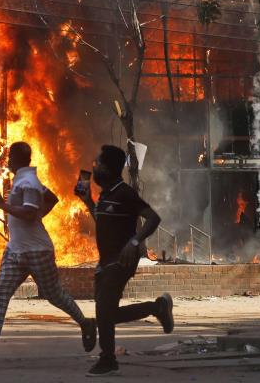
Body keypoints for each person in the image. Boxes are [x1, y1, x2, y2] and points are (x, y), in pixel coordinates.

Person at [0, 142, 97, 361]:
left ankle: (86, 323)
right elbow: (52, 199)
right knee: (0, 292)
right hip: (16, 250)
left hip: (37, 251)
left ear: (15, 159)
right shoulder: (25, 179)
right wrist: (38, 216)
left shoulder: (28, 182)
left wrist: (2, 205)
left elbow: (27, 213)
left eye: (9, 158)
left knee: (54, 295)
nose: (7, 162)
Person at [75, 144, 174, 377]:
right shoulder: (107, 194)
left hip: (121, 261)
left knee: (103, 310)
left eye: (98, 163)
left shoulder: (124, 193)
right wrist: (89, 202)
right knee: (106, 315)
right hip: (105, 261)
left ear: (108, 168)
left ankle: (108, 359)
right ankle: (157, 307)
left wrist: (134, 242)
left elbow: (153, 218)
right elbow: (105, 222)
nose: (94, 167)